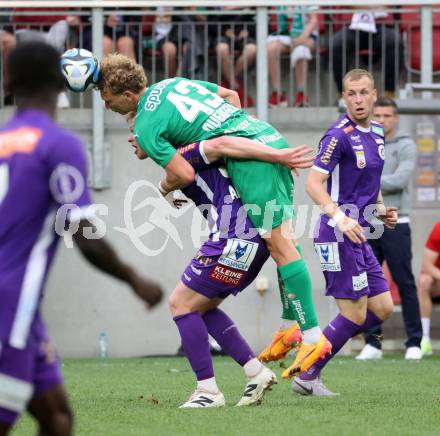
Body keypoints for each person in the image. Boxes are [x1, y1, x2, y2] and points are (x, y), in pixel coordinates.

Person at [97, 53, 332, 381]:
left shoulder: (151, 129)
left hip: (253, 160)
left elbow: (185, 171)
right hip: (261, 136)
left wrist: (165, 188)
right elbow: (231, 96)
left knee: (280, 247)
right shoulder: (171, 85)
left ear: (127, 97)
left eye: (107, 100)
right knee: (284, 242)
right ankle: (289, 326)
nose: (106, 108)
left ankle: (312, 337)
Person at [0, 42, 162, 435]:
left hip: (27, 311)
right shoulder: (59, 145)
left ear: (8, 83)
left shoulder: (4, 140)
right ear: (60, 83)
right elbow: (84, 234)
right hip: (9, 302)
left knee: (57, 417)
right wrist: (135, 280)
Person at [293, 69, 397, 396]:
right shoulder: (337, 135)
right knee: (353, 313)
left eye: (363, 92)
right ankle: (307, 373)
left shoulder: (378, 131)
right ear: (344, 96)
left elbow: (372, 181)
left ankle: (316, 347)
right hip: (336, 233)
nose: (358, 99)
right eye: (351, 93)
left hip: (359, 233)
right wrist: (340, 218)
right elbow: (312, 184)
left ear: (374, 93)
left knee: (382, 309)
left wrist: (380, 209)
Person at [356, 97, 422, 360]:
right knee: (369, 285)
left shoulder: (405, 145)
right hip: (368, 222)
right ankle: (374, 343)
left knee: (405, 282)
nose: (382, 120)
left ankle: (414, 342)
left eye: (387, 115)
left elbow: (401, 179)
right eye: (378, 115)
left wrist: (367, 182)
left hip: (397, 221)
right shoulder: (365, 141)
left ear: (395, 118)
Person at [331, 7, 401, 105]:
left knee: (395, 41)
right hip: (352, 26)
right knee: (337, 44)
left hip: (381, 26)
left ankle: (389, 93)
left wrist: (359, 4)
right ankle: (345, 93)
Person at [267, 5, 318, 107]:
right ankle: (277, 94)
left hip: (306, 35)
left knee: (301, 50)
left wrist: (302, 37)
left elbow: (314, 20)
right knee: (270, 49)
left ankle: (302, 94)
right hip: (284, 35)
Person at [213, 7, 256, 107]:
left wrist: (248, 30)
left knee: (251, 50)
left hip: (245, 34)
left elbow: (259, 17)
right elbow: (210, 19)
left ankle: (228, 80)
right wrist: (224, 31)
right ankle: (236, 86)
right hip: (222, 33)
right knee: (222, 48)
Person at [418, 221, 440, 355]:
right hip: (437, 283)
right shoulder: (439, 228)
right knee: (424, 280)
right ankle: (424, 338)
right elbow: (426, 266)